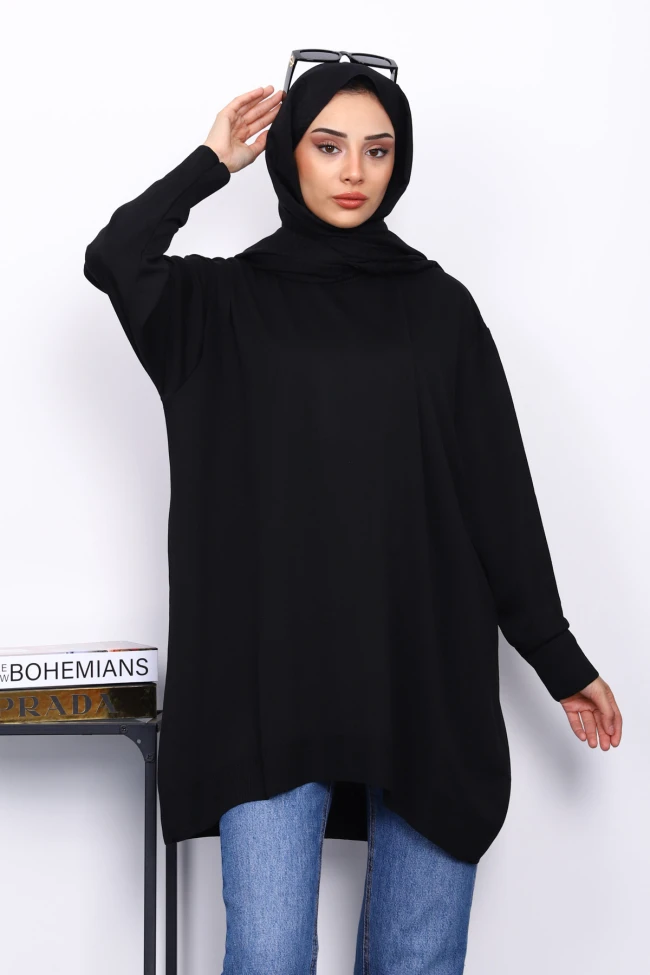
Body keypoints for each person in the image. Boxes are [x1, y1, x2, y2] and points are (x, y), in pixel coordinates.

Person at [83, 59, 623, 973]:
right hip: (267, 681)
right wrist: (211, 162)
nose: (354, 172)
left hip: (423, 674)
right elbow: (115, 257)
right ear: (288, 154)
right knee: (268, 953)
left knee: (416, 958)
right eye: (328, 146)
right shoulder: (217, 306)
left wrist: (559, 658)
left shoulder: (440, 309)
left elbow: (498, 496)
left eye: (378, 151)